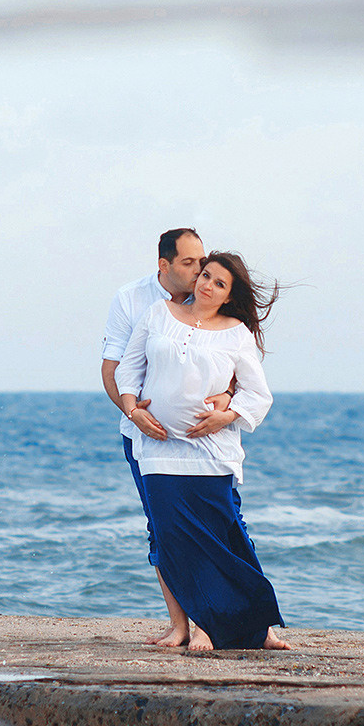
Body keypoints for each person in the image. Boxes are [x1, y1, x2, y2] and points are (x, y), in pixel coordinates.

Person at [115, 251, 288, 652]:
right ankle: (198, 625)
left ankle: (254, 626)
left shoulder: (236, 333)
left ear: (229, 295)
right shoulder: (158, 314)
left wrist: (226, 416)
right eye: (205, 276)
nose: (207, 285)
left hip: (211, 453)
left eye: (219, 283)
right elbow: (128, 368)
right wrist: (132, 409)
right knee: (173, 539)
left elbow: (258, 394)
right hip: (157, 450)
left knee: (225, 537)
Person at [100, 228, 228, 645]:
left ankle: (219, 620)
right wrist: (135, 414)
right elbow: (114, 369)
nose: (199, 272)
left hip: (202, 439)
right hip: (146, 437)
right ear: (164, 265)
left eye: (202, 261)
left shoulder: (211, 297)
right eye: (189, 264)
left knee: (217, 524)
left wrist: (227, 399)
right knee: (163, 526)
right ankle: (180, 625)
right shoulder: (133, 300)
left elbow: (237, 362)